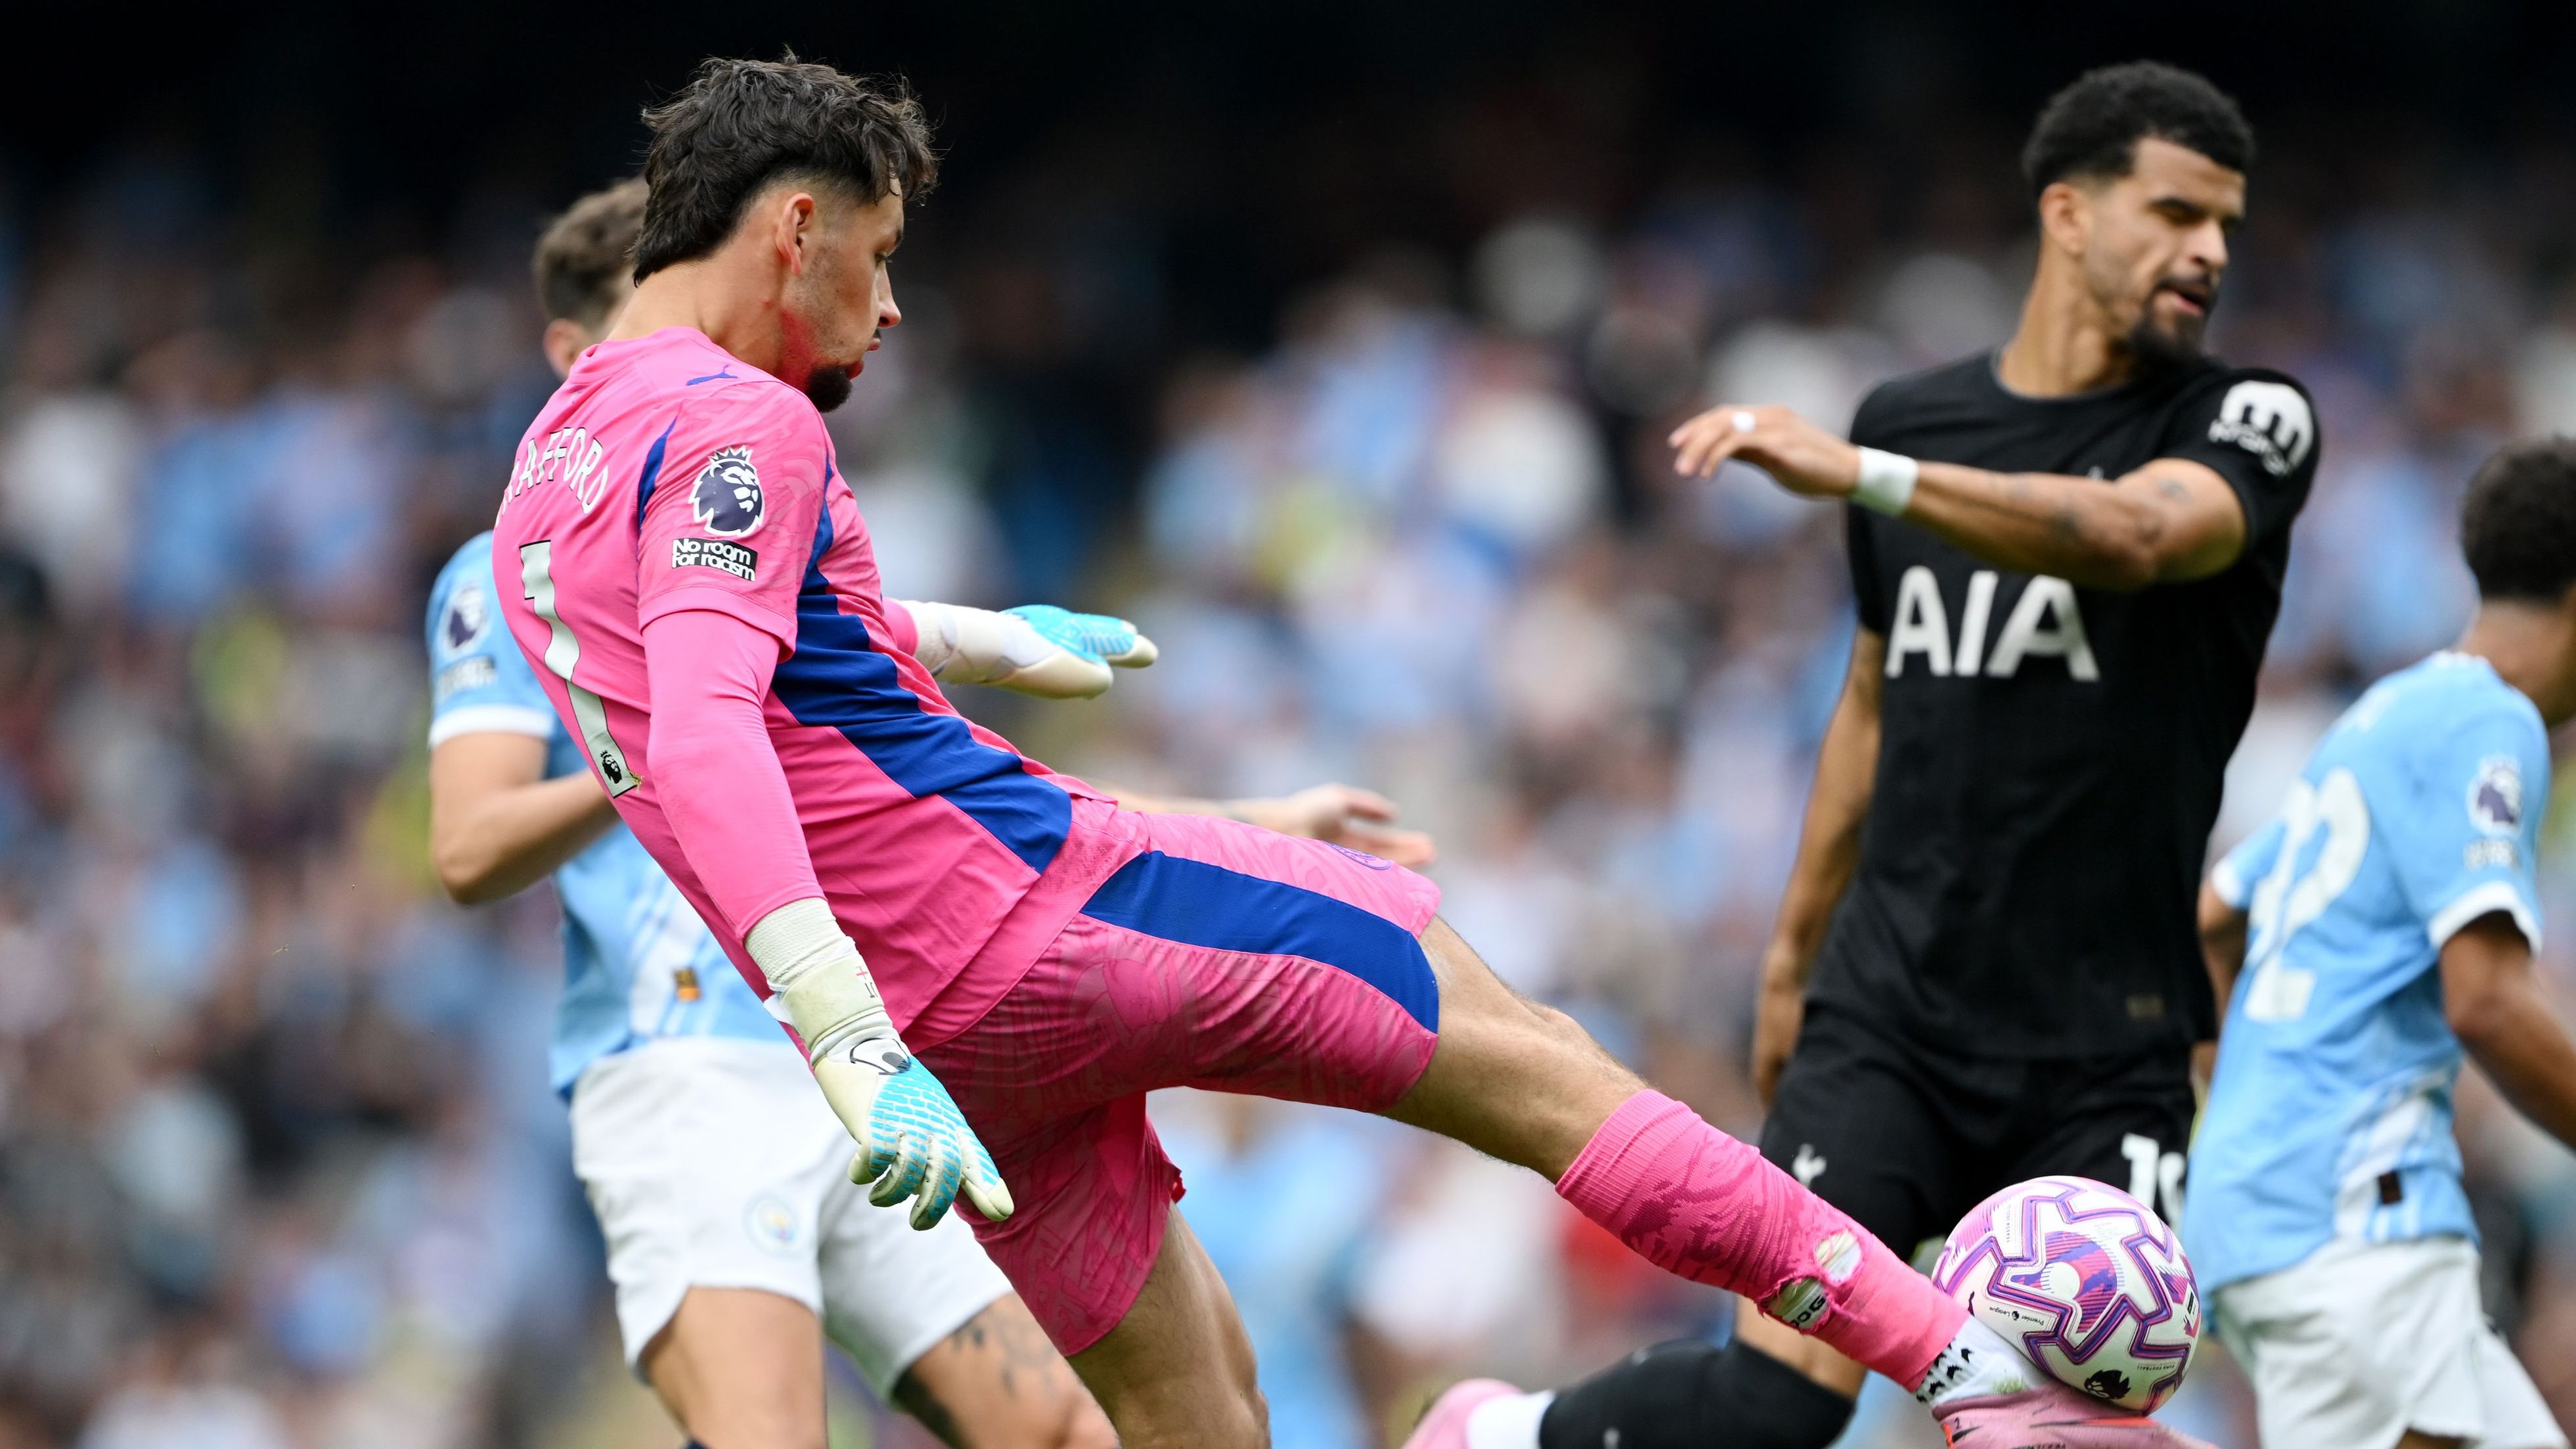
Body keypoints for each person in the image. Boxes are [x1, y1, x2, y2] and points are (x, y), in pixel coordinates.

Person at [486, 55, 2209, 1449]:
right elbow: (713, 732)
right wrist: (851, 1041)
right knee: (1524, 1047)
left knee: (1194, 1407)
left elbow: (728, 696)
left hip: (944, 1015)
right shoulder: (744, 416)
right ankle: (1971, 1370)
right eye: (877, 255)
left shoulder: (543, 485)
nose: (891, 306)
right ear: (793, 227)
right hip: (1007, 916)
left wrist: (976, 640)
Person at [1463, 60, 2322, 1449]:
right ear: (2066, 214)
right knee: (1767, 1410)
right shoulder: (1915, 417)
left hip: (2104, 1051)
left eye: (2225, 222)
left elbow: (2140, 536)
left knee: (2067, 1428)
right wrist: (1795, 950)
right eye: (2172, 212)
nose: (2209, 251)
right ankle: (1494, 1435)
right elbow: (1873, 694)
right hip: (1889, 1020)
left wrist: (1865, 477)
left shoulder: (2242, 422)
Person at [2185, 438, 2576, 1449]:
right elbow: (2484, 1000)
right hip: (2361, 1220)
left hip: (2274, 1211)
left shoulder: (2383, 716)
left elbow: (2213, 918)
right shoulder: (2491, 724)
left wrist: (2238, 1102)